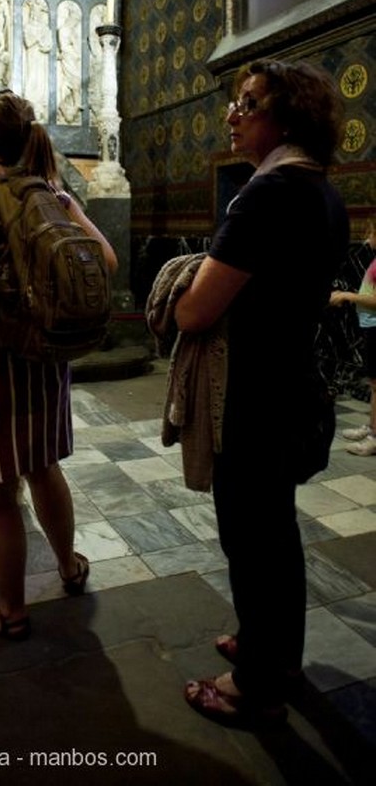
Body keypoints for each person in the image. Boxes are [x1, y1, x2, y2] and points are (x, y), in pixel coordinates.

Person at [173, 59, 349, 725]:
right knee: (273, 534)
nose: (232, 113)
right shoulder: (320, 192)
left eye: (249, 102)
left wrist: (185, 285)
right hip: (292, 386)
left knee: (251, 541)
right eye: (235, 100)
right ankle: (272, 649)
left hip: (250, 397)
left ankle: (252, 683)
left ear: (286, 116)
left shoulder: (265, 194)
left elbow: (194, 313)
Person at [0, 89, 118, 641]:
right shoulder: (51, 191)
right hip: (45, 360)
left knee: (0, 495)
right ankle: (68, 566)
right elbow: (105, 259)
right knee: (44, 469)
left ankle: (8, 610)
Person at [330, 218, 376, 456]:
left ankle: (374, 437)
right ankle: (371, 427)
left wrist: (349, 296)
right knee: (374, 383)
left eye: (372, 232)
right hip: (371, 327)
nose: (368, 237)